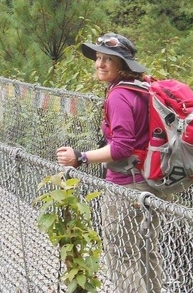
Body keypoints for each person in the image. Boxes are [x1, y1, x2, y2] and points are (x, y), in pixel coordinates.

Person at [56, 33, 168, 293]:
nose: (100, 64)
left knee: (122, 257)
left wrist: (80, 157)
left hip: (125, 189)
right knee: (147, 253)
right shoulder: (141, 89)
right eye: (98, 58)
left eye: (109, 59)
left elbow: (121, 147)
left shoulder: (118, 95)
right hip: (149, 183)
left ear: (123, 65)